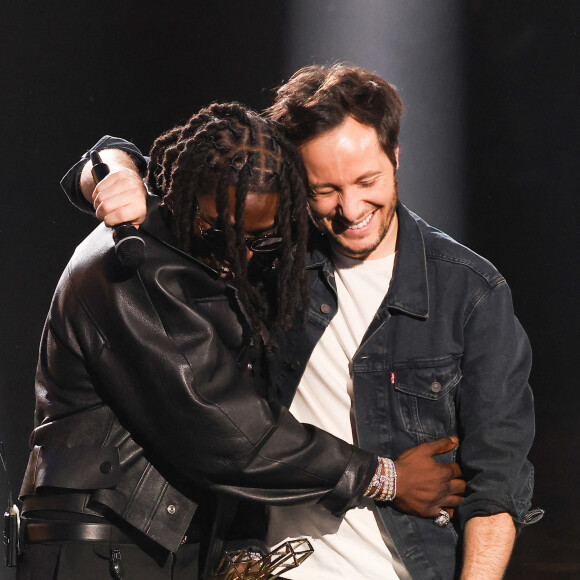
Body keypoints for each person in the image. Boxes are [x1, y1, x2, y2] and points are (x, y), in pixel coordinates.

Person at [86, 64, 539, 580]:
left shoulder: (470, 291)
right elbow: (145, 163)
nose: (350, 209)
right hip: (257, 566)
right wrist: (114, 173)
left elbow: (497, 483)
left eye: (367, 181)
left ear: (395, 155)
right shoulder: (262, 252)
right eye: (325, 190)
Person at [19, 102, 465, 580]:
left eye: (262, 239)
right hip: (103, 550)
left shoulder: (195, 216)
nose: (241, 255)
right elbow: (233, 434)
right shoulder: (137, 269)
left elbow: (111, 155)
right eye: (218, 235)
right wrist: (385, 479)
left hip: (149, 545)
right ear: (181, 198)